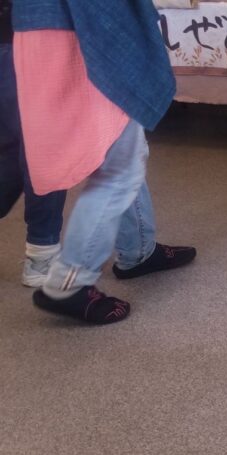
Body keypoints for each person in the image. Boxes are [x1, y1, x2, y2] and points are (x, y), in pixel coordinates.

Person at [12, 0, 195, 324]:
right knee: (119, 171)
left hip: (45, 27)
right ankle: (69, 283)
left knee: (123, 147)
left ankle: (138, 249)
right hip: (83, 29)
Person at [0, 0, 68, 288]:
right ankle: (42, 257)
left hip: (10, 39)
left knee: (11, 149)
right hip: (28, 39)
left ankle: (42, 255)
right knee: (46, 151)